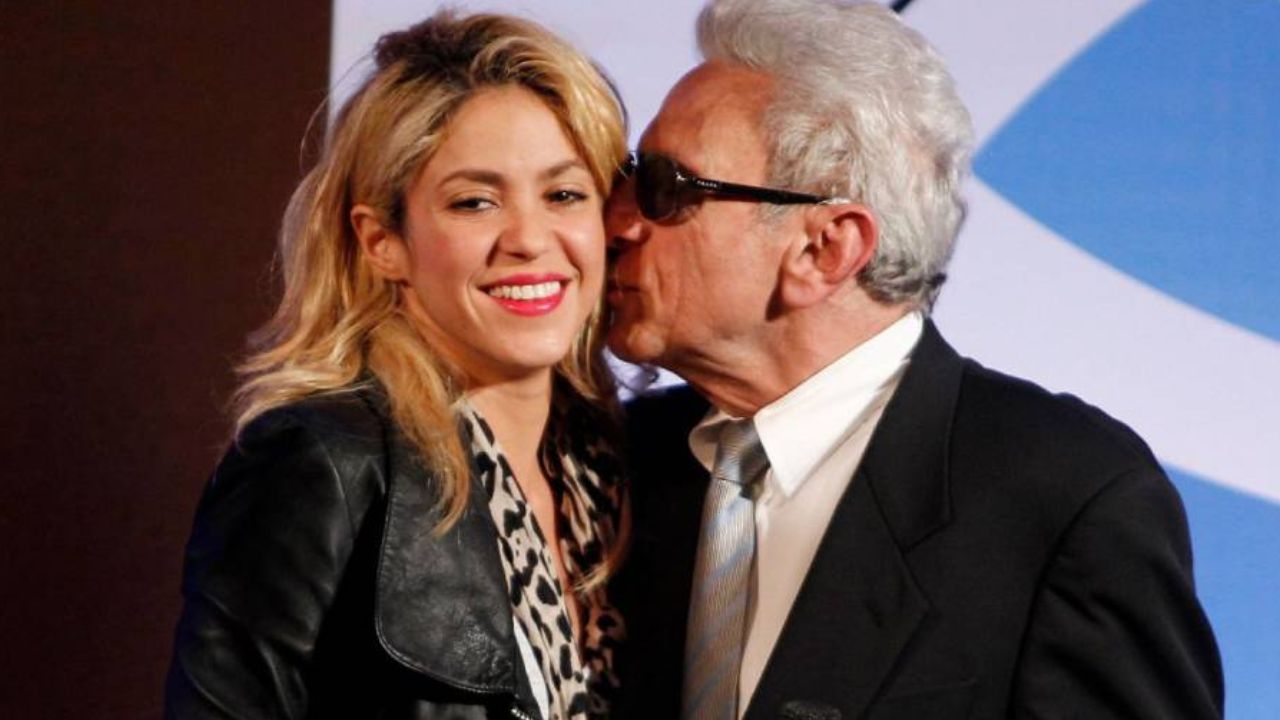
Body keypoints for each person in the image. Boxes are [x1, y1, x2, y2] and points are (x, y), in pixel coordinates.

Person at [607, 1, 1223, 718]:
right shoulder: (616, 464)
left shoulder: (1064, 498)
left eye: (667, 189)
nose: (617, 222)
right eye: (630, 177)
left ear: (825, 249)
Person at [164, 10, 629, 719]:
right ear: (383, 241)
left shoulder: (620, 467)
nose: (530, 239)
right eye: (475, 202)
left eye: (564, 194)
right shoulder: (319, 463)